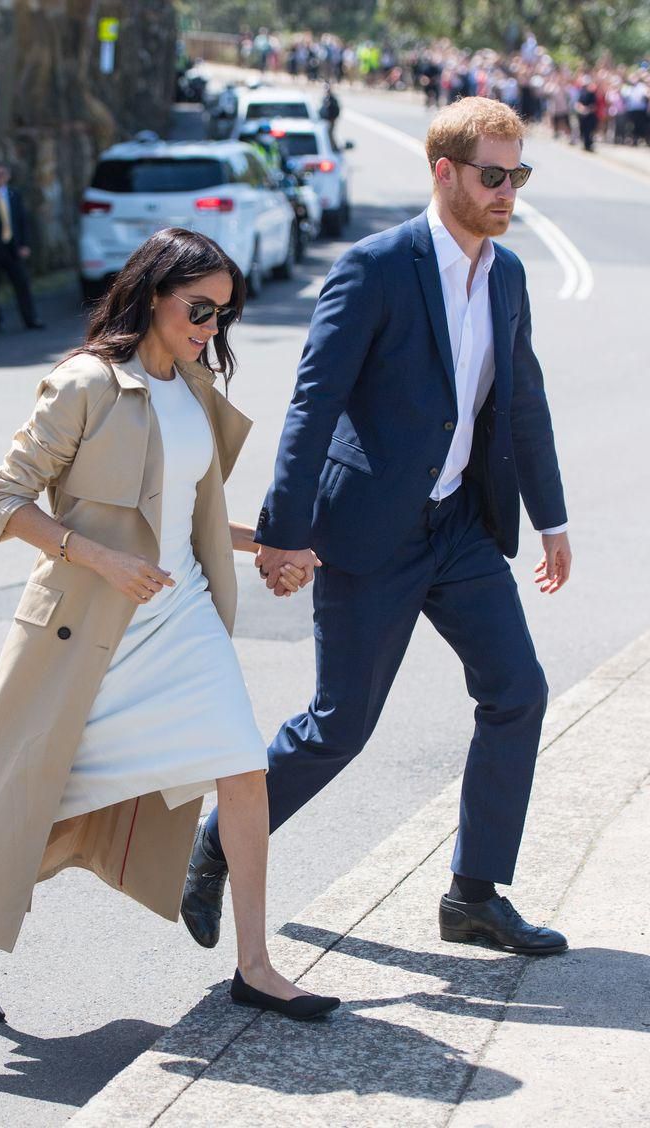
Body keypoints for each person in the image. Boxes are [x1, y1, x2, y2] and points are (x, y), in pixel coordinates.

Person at [183, 98, 573, 959]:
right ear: (445, 172)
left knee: (517, 690)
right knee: (340, 726)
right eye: (493, 175)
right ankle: (218, 840)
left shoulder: (506, 276)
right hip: (369, 531)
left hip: (460, 527)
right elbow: (313, 403)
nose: (508, 192)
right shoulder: (375, 268)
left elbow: (523, 403)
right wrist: (284, 533)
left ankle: (474, 895)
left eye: (518, 174)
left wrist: (552, 518)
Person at [0, 228, 339, 1024]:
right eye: (200, 308)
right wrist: (100, 559)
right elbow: (4, 500)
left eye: (224, 313)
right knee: (53, 808)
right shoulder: (87, 383)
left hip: (183, 618)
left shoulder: (193, 387)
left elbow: (187, 515)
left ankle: (256, 966)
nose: (212, 327)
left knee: (243, 766)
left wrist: (270, 545)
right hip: (91, 633)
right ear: (152, 295)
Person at [0, 162, 44, 332]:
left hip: (12, 247)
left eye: (2, 174)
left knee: (22, 283)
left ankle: (30, 318)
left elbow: (22, 221)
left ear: (8, 176)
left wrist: (24, 244)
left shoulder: (14, 195)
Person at [320, 83, 341, 147]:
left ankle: (333, 146)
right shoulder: (325, 98)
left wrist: (333, 118)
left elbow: (336, 110)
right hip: (325, 120)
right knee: (325, 134)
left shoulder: (332, 99)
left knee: (330, 134)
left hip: (331, 120)